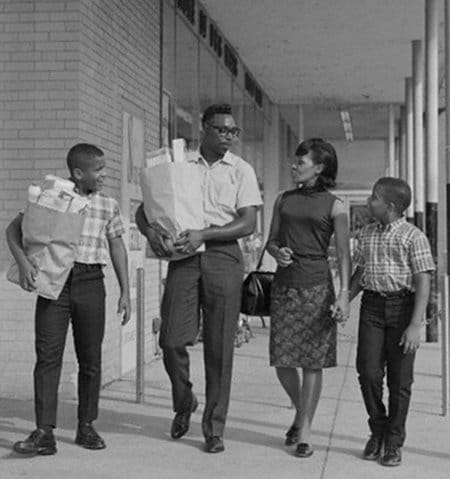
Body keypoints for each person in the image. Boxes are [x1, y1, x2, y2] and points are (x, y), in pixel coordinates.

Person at [135, 103, 262, 453]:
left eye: (233, 131)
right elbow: (143, 210)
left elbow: (248, 222)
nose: (229, 137)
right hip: (184, 259)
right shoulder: (178, 165)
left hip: (223, 255)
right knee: (172, 339)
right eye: (222, 130)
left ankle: (214, 427)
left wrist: (204, 234)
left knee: (220, 347)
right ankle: (184, 401)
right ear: (203, 129)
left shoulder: (241, 170)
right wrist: (151, 234)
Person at [6, 143, 131, 455]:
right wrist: (22, 262)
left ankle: (86, 425)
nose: (104, 175)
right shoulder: (52, 199)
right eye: (98, 170)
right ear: (78, 172)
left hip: (91, 282)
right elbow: (13, 230)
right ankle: (43, 431)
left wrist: (126, 290)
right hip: (55, 283)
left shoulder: (108, 205)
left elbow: (116, 245)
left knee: (90, 358)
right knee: (48, 356)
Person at [266, 138, 350, 458]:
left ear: (319, 167)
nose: (293, 166)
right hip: (285, 286)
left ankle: (305, 431)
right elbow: (271, 241)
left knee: (312, 363)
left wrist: (343, 295)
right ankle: (302, 412)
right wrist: (277, 251)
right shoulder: (282, 200)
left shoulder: (335, 204)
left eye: (301, 162)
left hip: (318, 287)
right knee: (282, 360)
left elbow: (344, 253)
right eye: (294, 161)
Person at [349, 177, 434, 467]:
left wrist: (415, 325)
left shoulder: (413, 236)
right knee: (368, 372)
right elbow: (360, 272)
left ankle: (394, 442)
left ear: (391, 206)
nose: (369, 202)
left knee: (400, 381)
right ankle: (378, 429)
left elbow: (423, 279)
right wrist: (343, 300)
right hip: (372, 307)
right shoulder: (367, 233)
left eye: (374, 198)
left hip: (402, 308)